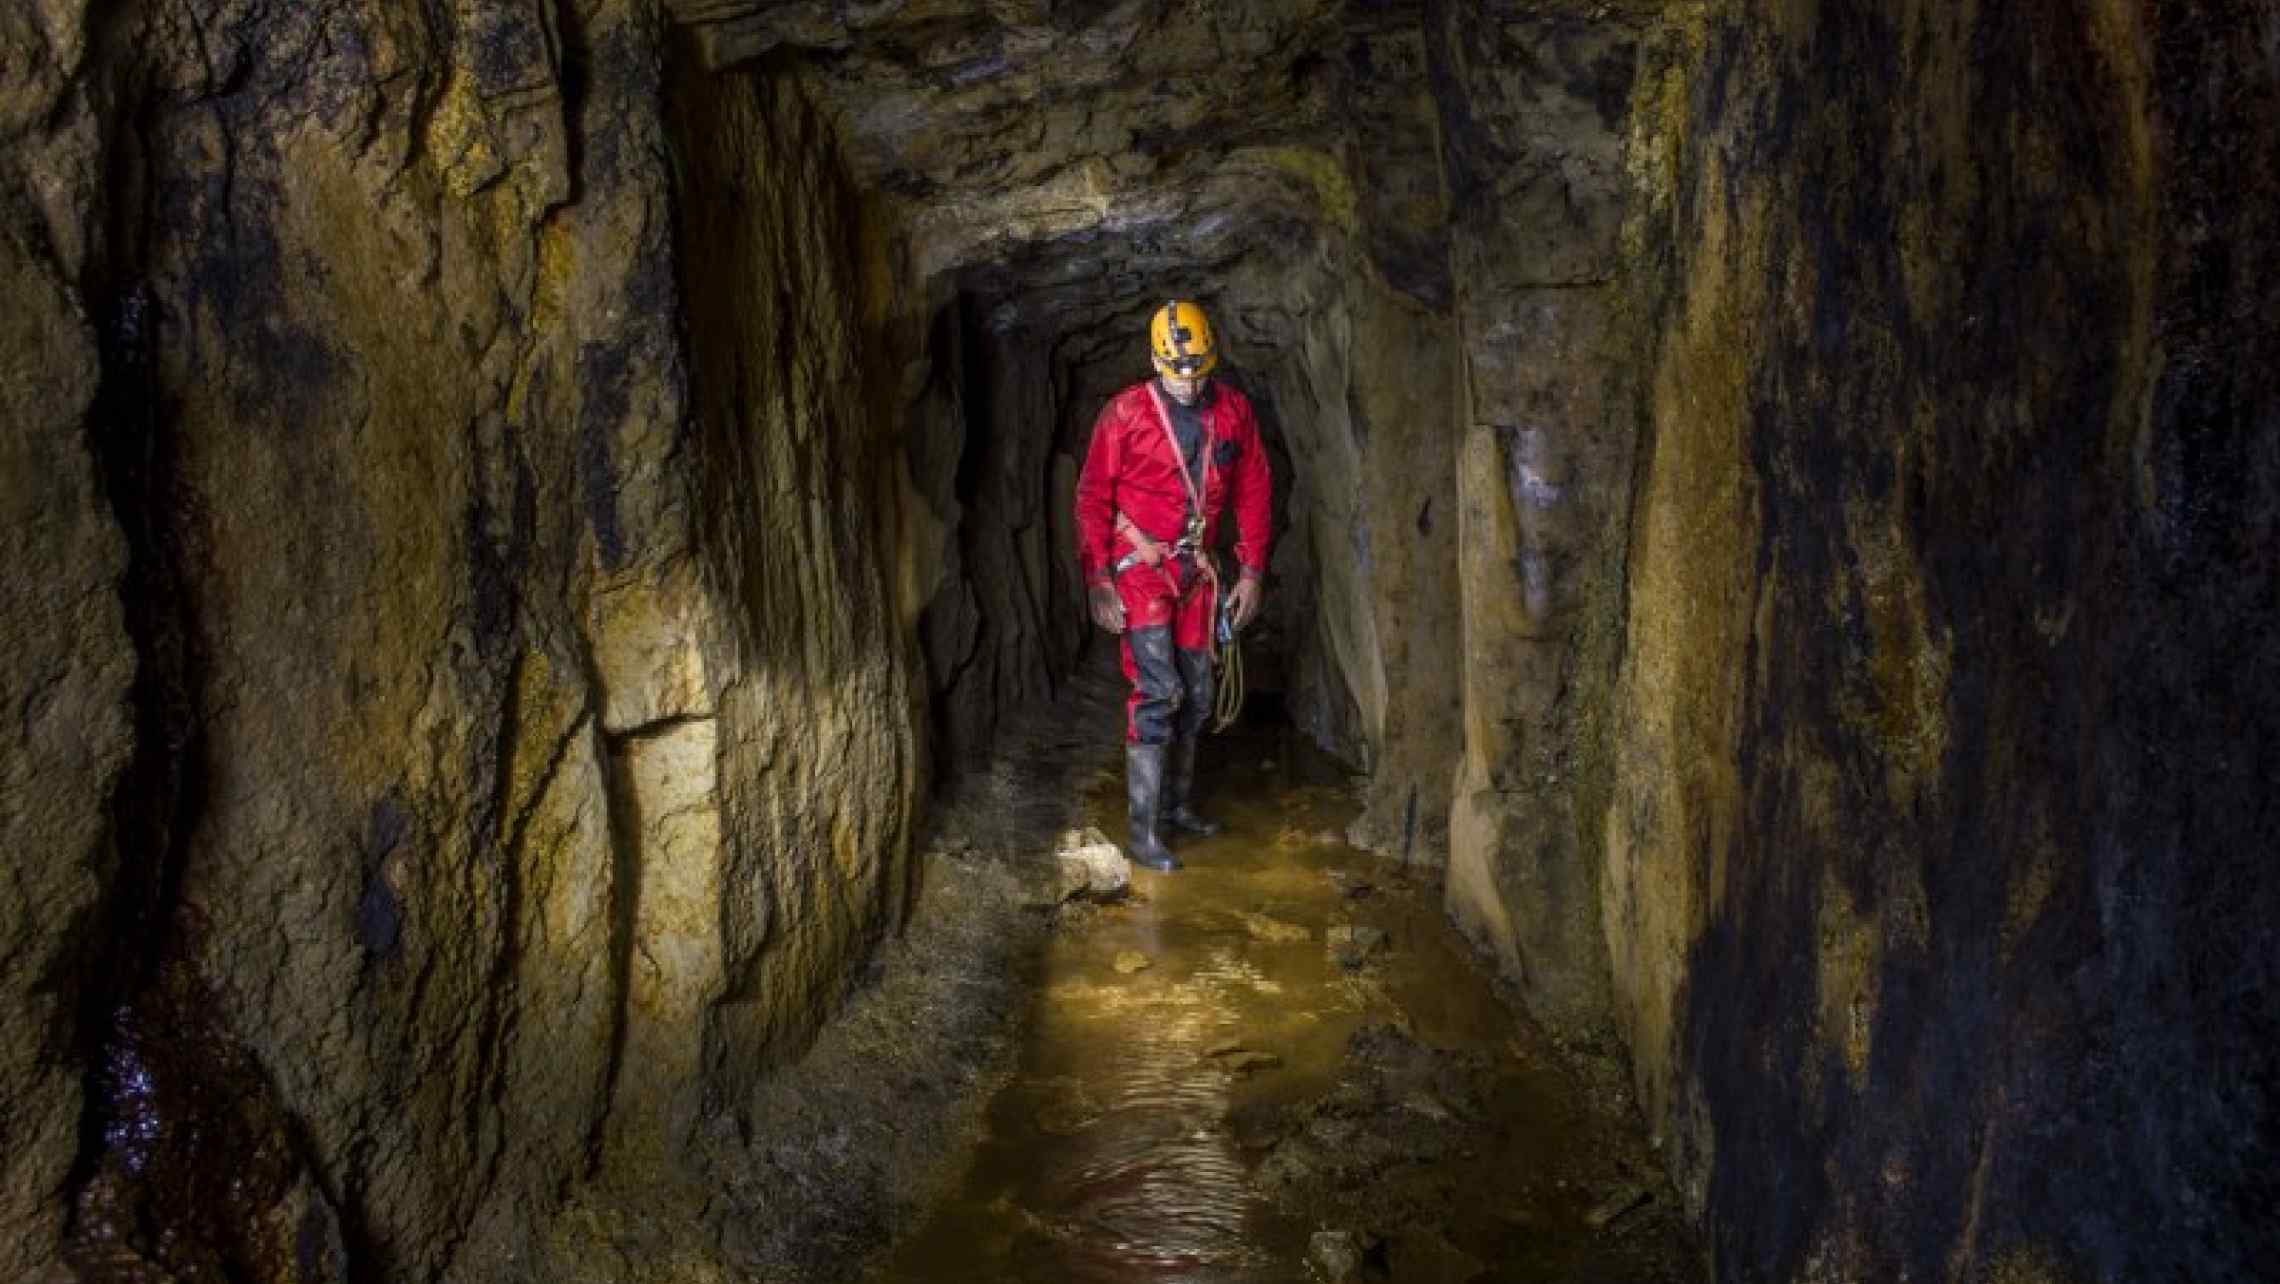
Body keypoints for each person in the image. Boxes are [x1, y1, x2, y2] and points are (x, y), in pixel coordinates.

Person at [1073, 300, 1272, 871]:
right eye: (1174, 372)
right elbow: (1092, 498)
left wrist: (1252, 569)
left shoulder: (1233, 412)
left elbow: (1254, 488)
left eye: (1197, 372)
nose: (1186, 384)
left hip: (1196, 572)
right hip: (1142, 570)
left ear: (1213, 360)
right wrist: (1098, 580)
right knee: (1158, 691)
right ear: (1156, 362)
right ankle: (1144, 832)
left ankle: (1178, 806)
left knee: (1200, 692)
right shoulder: (1125, 414)